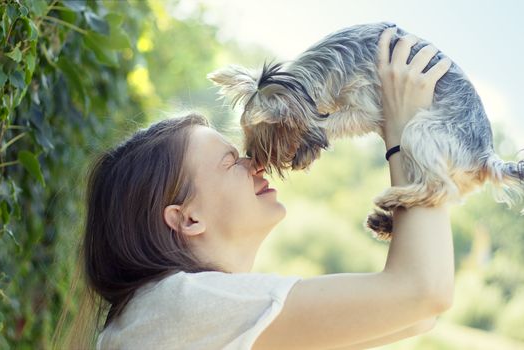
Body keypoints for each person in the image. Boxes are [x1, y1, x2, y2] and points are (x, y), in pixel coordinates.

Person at [53, 26, 454, 349]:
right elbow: (423, 294)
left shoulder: (172, 313)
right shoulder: (182, 306)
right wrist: (408, 133)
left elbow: (417, 313)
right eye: (231, 161)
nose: (257, 163)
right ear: (188, 218)